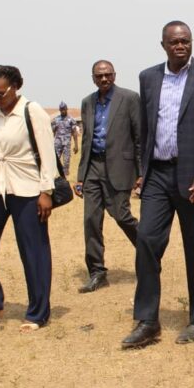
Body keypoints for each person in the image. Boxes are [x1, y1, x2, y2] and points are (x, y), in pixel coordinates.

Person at [121, 21, 194, 349]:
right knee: (146, 242)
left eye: (186, 41)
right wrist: (142, 169)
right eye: (174, 42)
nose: (181, 46)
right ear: (163, 45)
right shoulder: (148, 77)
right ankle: (148, 322)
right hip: (157, 175)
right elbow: (145, 127)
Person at [0, 65, 58, 332]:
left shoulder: (32, 111)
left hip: (28, 189)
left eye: (0, 93)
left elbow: (47, 153)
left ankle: (38, 313)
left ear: (16, 87)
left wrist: (46, 192)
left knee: (33, 251)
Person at [74, 60, 141, 293]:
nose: (104, 79)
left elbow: (139, 137)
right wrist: (80, 176)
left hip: (120, 167)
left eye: (108, 74)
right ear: (93, 78)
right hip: (93, 166)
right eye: (99, 76)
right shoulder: (87, 102)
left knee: (122, 216)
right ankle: (97, 272)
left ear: (114, 75)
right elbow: (86, 140)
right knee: (91, 220)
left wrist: (141, 173)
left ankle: (149, 253)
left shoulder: (129, 98)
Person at [51, 101, 79, 173]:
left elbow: (74, 133)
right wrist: (50, 143)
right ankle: (54, 174)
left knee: (66, 161)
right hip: (57, 143)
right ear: (59, 110)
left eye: (64, 109)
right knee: (55, 160)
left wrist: (76, 145)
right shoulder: (56, 120)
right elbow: (52, 132)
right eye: (61, 109)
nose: (63, 111)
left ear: (67, 109)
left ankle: (65, 176)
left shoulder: (71, 120)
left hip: (67, 144)